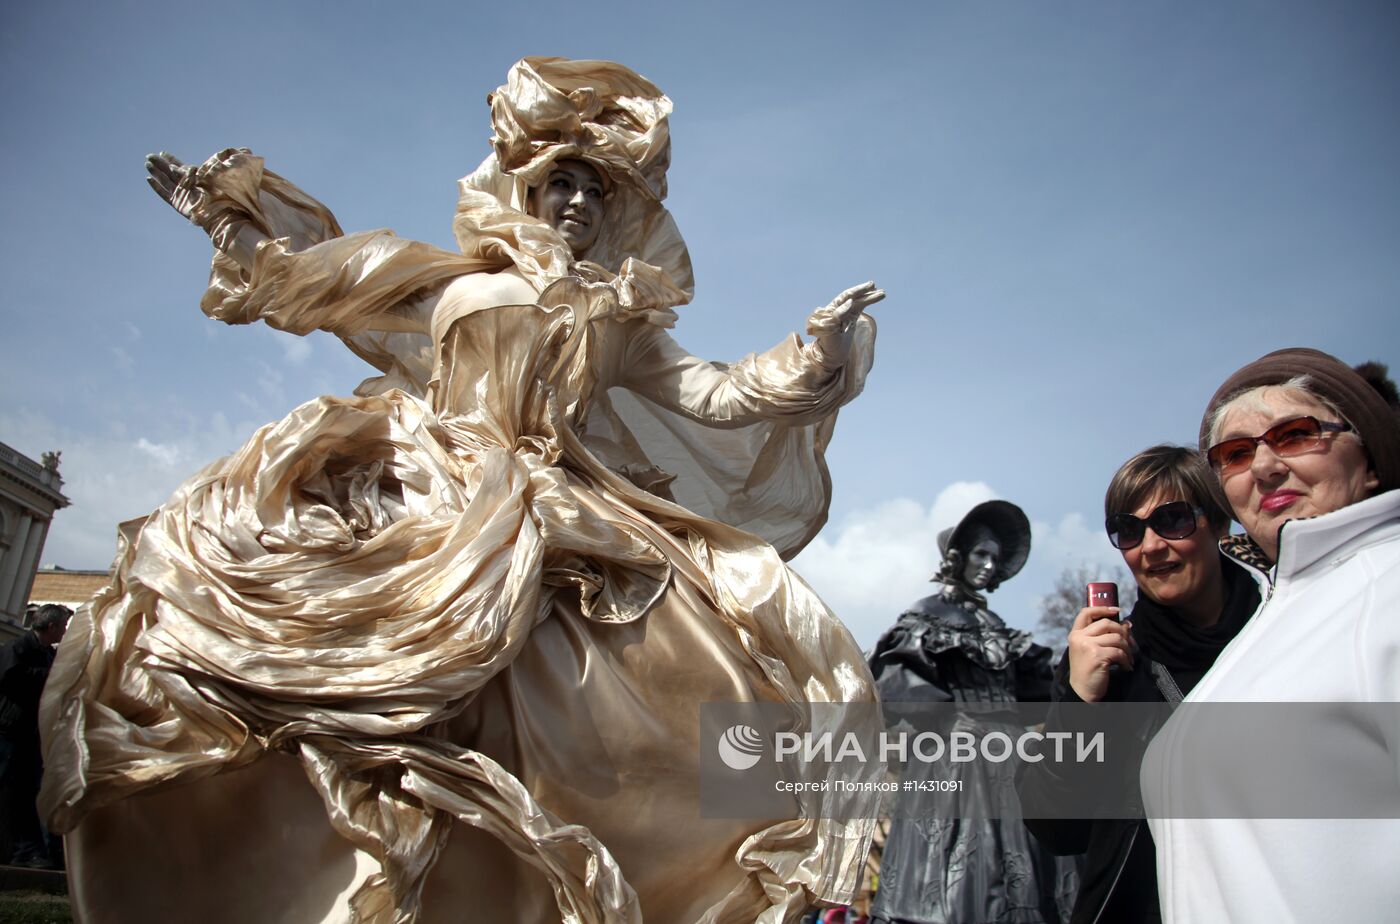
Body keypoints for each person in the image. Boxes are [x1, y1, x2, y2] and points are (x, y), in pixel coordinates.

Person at [39, 58, 885, 923]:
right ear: (523, 187)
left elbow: (720, 394)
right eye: (562, 181)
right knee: (295, 649)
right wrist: (225, 214)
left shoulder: (615, 318)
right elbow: (310, 280)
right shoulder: (443, 278)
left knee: (652, 682)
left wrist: (812, 352)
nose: (580, 204)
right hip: (428, 483)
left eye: (597, 189)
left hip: (557, 501)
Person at [1142, 349, 1400, 922]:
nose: (1264, 467)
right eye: (1235, 455)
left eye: (1296, 435)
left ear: (1372, 458)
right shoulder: (1272, 617)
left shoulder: (1387, 587)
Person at [1020, 446, 1260, 923]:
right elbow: (1059, 832)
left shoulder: (1282, 629)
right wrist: (1079, 702)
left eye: (1172, 520)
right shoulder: (1108, 666)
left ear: (1219, 523)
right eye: (1129, 530)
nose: (1150, 546)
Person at [867, 500, 1075, 924]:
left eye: (995, 558)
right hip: (954, 759)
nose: (988, 565)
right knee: (960, 878)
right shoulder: (926, 615)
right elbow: (895, 685)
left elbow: (1032, 693)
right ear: (956, 557)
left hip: (1013, 754)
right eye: (981, 553)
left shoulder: (997, 624)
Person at [0, 603, 70, 868]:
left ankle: (26, 851)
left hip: (31, 734)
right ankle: (22, 849)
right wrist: (52, 676)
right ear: (51, 626)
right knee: (11, 789)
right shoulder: (18, 648)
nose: (64, 631)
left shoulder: (47, 655)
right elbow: (10, 679)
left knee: (28, 792)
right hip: (10, 732)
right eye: (63, 626)